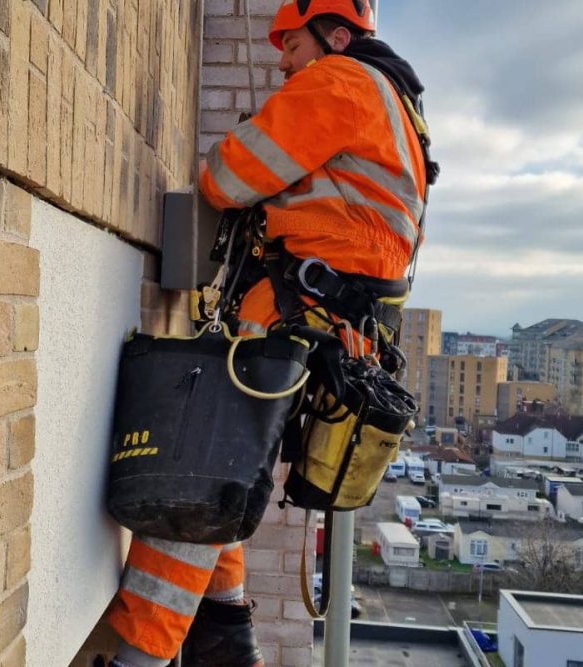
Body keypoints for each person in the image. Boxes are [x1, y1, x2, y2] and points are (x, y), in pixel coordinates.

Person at [106, 2, 431, 665]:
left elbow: (226, 177)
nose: (283, 61)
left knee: (201, 473)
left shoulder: (341, 79)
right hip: (331, 332)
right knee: (229, 465)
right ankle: (226, 633)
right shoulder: (400, 107)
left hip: (289, 319)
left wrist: (245, 146)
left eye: (292, 44)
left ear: (337, 36)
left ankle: (142, 656)